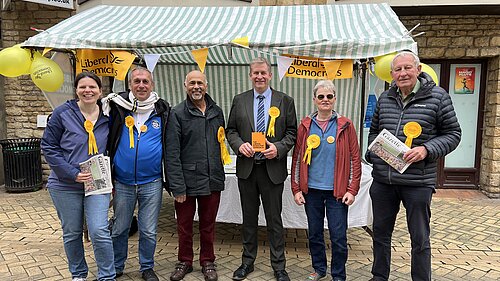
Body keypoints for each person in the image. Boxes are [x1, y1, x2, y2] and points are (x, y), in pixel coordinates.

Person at [366, 51, 461, 281]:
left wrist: (426, 149)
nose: (403, 73)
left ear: (418, 70)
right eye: (398, 69)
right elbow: (374, 133)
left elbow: (453, 134)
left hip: (418, 182)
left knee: (419, 237)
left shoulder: (439, 97)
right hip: (384, 181)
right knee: (380, 234)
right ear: (391, 74)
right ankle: (379, 276)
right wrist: (375, 152)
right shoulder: (385, 98)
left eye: (408, 68)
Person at [226, 57, 297, 281]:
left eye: (263, 73)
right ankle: (247, 262)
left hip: (272, 169)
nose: (259, 77)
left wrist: (278, 148)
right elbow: (231, 131)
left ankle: (279, 266)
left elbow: (292, 133)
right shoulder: (240, 100)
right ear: (250, 75)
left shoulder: (285, 101)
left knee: (274, 219)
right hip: (247, 169)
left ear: (270, 75)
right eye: (255, 73)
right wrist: (239, 145)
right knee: (248, 219)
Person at [41, 72, 116, 281]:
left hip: (97, 183)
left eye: (92, 87)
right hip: (65, 184)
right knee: (72, 233)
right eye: (82, 87)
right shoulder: (62, 113)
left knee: (99, 230)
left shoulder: (108, 117)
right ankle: (79, 274)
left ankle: (107, 276)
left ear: (101, 91)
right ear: (76, 90)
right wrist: (71, 173)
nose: (87, 91)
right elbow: (48, 146)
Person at [103, 66, 170, 281]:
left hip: (152, 182)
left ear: (152, 85)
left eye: (145, 82)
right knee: (120, 228)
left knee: (149, 230)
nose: (141, 85)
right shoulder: (117, 108)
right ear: (130, 84)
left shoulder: (162, 110)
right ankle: (117, 265)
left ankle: (147, 267)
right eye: (137, 81)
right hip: (123, 182)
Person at [291, 80, 361, 281]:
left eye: (329, 96)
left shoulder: (346, 125)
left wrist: (352, 189)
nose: (325, 100)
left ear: (334, 99)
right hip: (310, 190)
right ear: (314, 100)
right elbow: (297, 159)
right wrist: (296, 188)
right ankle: (319, 269)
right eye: (321, 96)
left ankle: (338, 274)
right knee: (314, 234)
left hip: (337, 192)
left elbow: (355, 158)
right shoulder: (305, 125)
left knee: (338, 237)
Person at [166, 70, 226, 281]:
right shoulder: (177, 113)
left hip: (212, 179)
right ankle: (184, 261)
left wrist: (219, 175)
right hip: (187, 181)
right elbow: (171, 152)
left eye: (200, 83)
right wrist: (177, 186)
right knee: (184, 225)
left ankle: (208, 260)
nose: (196, 87)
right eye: (192, 83)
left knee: (208, 225)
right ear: (185, 86)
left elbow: (220, 146)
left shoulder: (217, 111)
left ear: (206, 86)